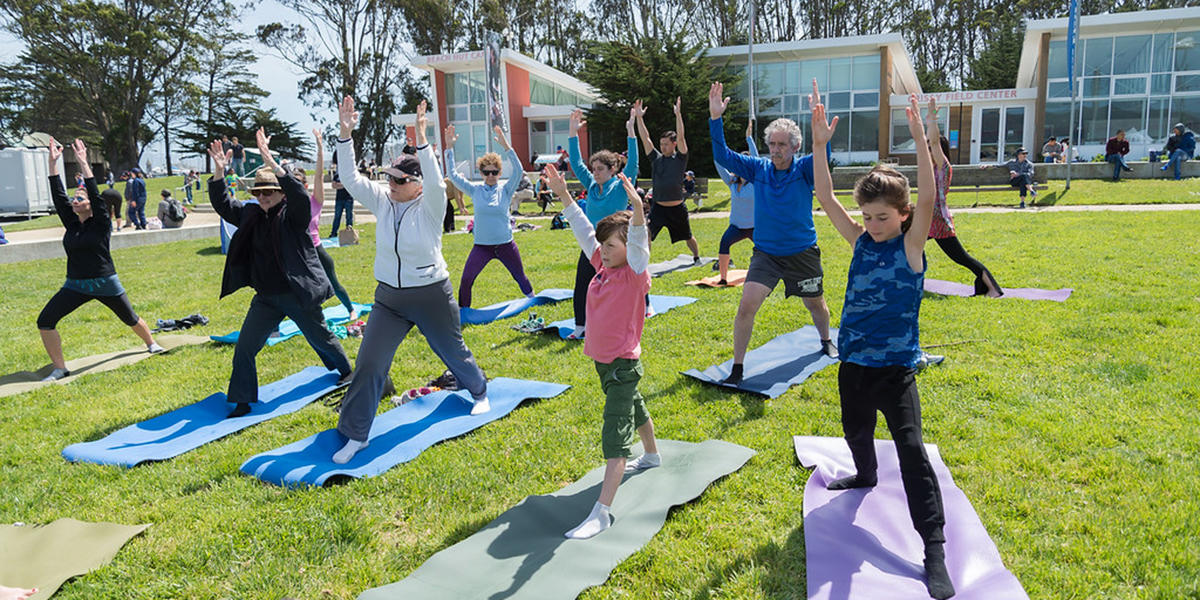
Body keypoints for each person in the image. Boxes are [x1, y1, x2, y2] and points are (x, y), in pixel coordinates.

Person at [810, 89, 955, 600]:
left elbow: (932, 198)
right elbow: (825, 197)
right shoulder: (860, 242)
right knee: (855, 429)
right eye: (867, 217)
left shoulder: (911, 246)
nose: (872, 226)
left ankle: (933, 549)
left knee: (912, 450)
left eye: (882, 218)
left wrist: (920, 141)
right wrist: (819, 141)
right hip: (853, 363)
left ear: (903, 214)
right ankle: (865, 474)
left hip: (896, 369)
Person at [331, 97, 491, 464]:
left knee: (452, 352)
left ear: (416, 185)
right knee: (370, 363)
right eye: (388, 177)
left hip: (431, 294)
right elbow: (352, 179)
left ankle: (480, 392)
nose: (390, 183)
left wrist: (422, 138)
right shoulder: (383, 201)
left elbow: (437, 181)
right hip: (389, 298)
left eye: (399, 179)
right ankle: (356, 435)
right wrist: (345, 133)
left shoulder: (432, 205)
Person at [544, 164, 660, 539]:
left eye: (611, 246)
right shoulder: (602, 265)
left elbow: (640, 242)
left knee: (615, 433)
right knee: (635, 406)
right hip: (604, 363)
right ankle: (653, 455)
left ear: (629, 248)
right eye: (603, 245)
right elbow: (581, 227)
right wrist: (563, 194)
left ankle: (602, 512)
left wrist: (639, 211)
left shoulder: (634, 272)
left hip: (623, 363)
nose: (604, 251)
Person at [205, 130, 352, 419]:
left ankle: (347, 371)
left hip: (297, 295)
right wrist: (220, 172)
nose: (263, 197)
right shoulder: (251, 214)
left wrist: (272, 162)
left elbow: (299, 194)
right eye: (258, 193)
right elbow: (224, 205)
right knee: (245, 347)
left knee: (320, 335)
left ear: (281, 193)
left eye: (269, 192)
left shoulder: (294, 214)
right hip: (266, 298)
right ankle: (243, 400)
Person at [707, 81, 837, 386]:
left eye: (782, 145)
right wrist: (716, 119)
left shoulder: (805, 168)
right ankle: (737, 368)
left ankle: (825, 340)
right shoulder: (758, 169)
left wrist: (819, 121)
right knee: (746, 306)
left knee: (815, 304)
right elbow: (723, 156)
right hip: (766, 254)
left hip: (802, 252)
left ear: (794, 147)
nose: (775, 150)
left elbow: (824, 156)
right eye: (772, 144)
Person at [37, 138, 165, 381]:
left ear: (92, 206)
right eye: (74, 198)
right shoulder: (72, 223)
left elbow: (95, 194)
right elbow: (58, 195)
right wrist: (52, 164)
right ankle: (60, 368)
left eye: (80, 199)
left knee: (130, 318)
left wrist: (84, 163)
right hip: (75, 284)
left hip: (105, 281)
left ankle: (151, 342)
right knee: (45, 321)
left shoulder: (101, 223)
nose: (75, 201)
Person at [566, 106, 640, 340]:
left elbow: (633, 165)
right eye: (594, 169)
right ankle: (580, 327)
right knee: (582, 285)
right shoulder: (591, 185)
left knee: (626, 284)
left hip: (617, 244)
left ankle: (641, 309)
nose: (595, 172)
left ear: (612, 169)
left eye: (600, 169)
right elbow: (576, 163)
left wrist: (631, 132)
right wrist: (572, 133)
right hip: (592, 244)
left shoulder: (619, 186)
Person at [444, 124, 535, 308]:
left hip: (506, 245)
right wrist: (449, 148)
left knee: (520, 276)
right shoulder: (475, 189)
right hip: (482, 247)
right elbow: (453, 175)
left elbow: (518, 170)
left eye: (494, 172)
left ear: (500, 173)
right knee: (467, 279)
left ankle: (534, 301)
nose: (491, 175)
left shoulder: (506, 190)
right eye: (487, 172)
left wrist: (507, 146)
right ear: (481, 173)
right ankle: (464, 312)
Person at [929, 134, 1002, 297]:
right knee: (906, 245)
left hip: (939, 221)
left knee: (961, 258)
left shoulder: (943, 166)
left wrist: (931, 120)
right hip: (929, 220)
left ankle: (993, 288)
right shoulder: (933, 167)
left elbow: (934, 142)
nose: (928, 150)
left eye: (931, 148)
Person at [634, 97, 702, 263]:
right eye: (661, 144)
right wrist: (639, 117)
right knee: (647, 232)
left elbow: (681, 137)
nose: (662, 147)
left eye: (666, 144)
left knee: (688, 236)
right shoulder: (656, 158)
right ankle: (645, 264)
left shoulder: (680, 158)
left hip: (677, 208)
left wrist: (678, 114)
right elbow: (645, 138)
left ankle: (696, 257)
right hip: (658, 208)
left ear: (673, 144)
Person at [298, 128, 356, 319]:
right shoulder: (285, 203)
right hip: (298, 251)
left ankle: (351, 309)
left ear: (305, 185)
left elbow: (320, 175)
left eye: (298, 182)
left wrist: (320, 148)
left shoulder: (315, 201)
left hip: (316, 248)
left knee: (333, 282)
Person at [712, 118, 758, 286]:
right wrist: (717, 146)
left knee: (767, 250)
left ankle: (775, 272)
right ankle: (723, 278)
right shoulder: (732, 181)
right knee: (724, 243)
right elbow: (719, 163)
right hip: (736, 227)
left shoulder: (756, 181)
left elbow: (757, 158)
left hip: (755, 226)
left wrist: (749, 138)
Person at [329, 149, 356, 237]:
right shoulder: (337, 172)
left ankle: (350, 234)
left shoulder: (349, 171)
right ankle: (333, 233)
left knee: (349, 217)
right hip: (339, 198)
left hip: (348, 198)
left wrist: (341, 185)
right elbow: (333, 185)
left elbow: (350, 184)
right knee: (337, 217)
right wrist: (344, 184)